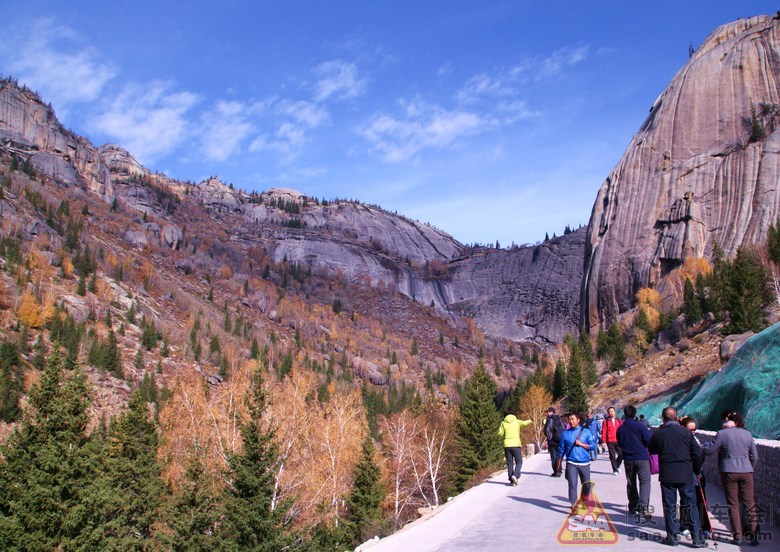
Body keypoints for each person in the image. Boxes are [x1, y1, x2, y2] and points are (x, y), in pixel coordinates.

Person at [648, 407, 706, 548]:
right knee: (691, 506)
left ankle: (672, 538)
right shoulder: (687, 433)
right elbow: (697, 453)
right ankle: (697, 539)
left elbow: (652, 450)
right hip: (685, 473)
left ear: (663, 418)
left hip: (668, 475)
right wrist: (696, 469)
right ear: (676, 417)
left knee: (670, 507)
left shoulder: (659, 434)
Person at [703, 410, 759, 546]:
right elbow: (754, 456)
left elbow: (710, 451)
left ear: (726, 420)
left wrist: (705, 446)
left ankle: (737, 536)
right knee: (749, 504)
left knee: (733, 504)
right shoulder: (747, 434)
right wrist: (748, 467)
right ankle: (754, 536)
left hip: (728, 471)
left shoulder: (722, 434)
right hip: (746, 471)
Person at [616, 405, 652, 522]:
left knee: (631, 482)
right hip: (642, 458)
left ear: (625, 415)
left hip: (628, 459)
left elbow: (619, 443)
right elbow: (648, 440)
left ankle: (633, 506)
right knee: (645, 482)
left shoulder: (620, 429)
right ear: (635, 415)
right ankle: (643, 507)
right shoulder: (641, 426)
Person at [679, 416, 712, 539]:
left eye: (694, 430)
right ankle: (684, 525)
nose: (692, 432)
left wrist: (698, 469)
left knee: (701, 501)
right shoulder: (680, 441)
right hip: (686, 474)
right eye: (690, 429)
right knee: (685, 500)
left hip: (697, 474)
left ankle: (705, 527)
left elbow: (699, 457)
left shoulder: (696, 440)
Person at [557, 412, 598, 509]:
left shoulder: (586, 432)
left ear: (578, 420)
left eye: (573, 419)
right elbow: (561, 450)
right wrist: (559, 463)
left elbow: (592, 446)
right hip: (571, 463)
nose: (571, 421)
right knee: (572, 484)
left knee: (587, 485)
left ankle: (584, 500)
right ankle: (574, 505)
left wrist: (582, 444)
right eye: (569, 420)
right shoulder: (565, 434)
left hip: (584, 463)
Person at [498, 412, 532, 486]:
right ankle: (516, 475)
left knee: (510, 463)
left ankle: (511, 479)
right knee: (519, 462)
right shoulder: (517, 422)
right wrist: (530, 420)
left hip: (507, 445)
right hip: (516, 445)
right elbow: (525, 423)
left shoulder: (503, 423)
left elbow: (500, 433)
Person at [601, 406, 623, 475]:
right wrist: (603, 442)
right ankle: (615, 470)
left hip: (618, 440)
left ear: (615, 412)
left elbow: (622, 430)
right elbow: (604, 431)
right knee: (612, 456)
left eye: (612, 411)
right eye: (610, 411)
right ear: (608, 413)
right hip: (610, 441)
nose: (611, 413)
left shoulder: (619, 420)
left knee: (621, 454)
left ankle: (617, 465)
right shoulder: (605, 422)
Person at [543, 407, 565, 477]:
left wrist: (550, 438)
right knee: (559, 456)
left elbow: (546, 430)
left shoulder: (550, 420)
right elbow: (563, 428)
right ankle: (559, 470)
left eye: (548, 412)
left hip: (552, 441)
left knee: (553, 457)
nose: (547, 413)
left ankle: (556, 472)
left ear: (551, 412)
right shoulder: (559, 419)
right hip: (559, 440)